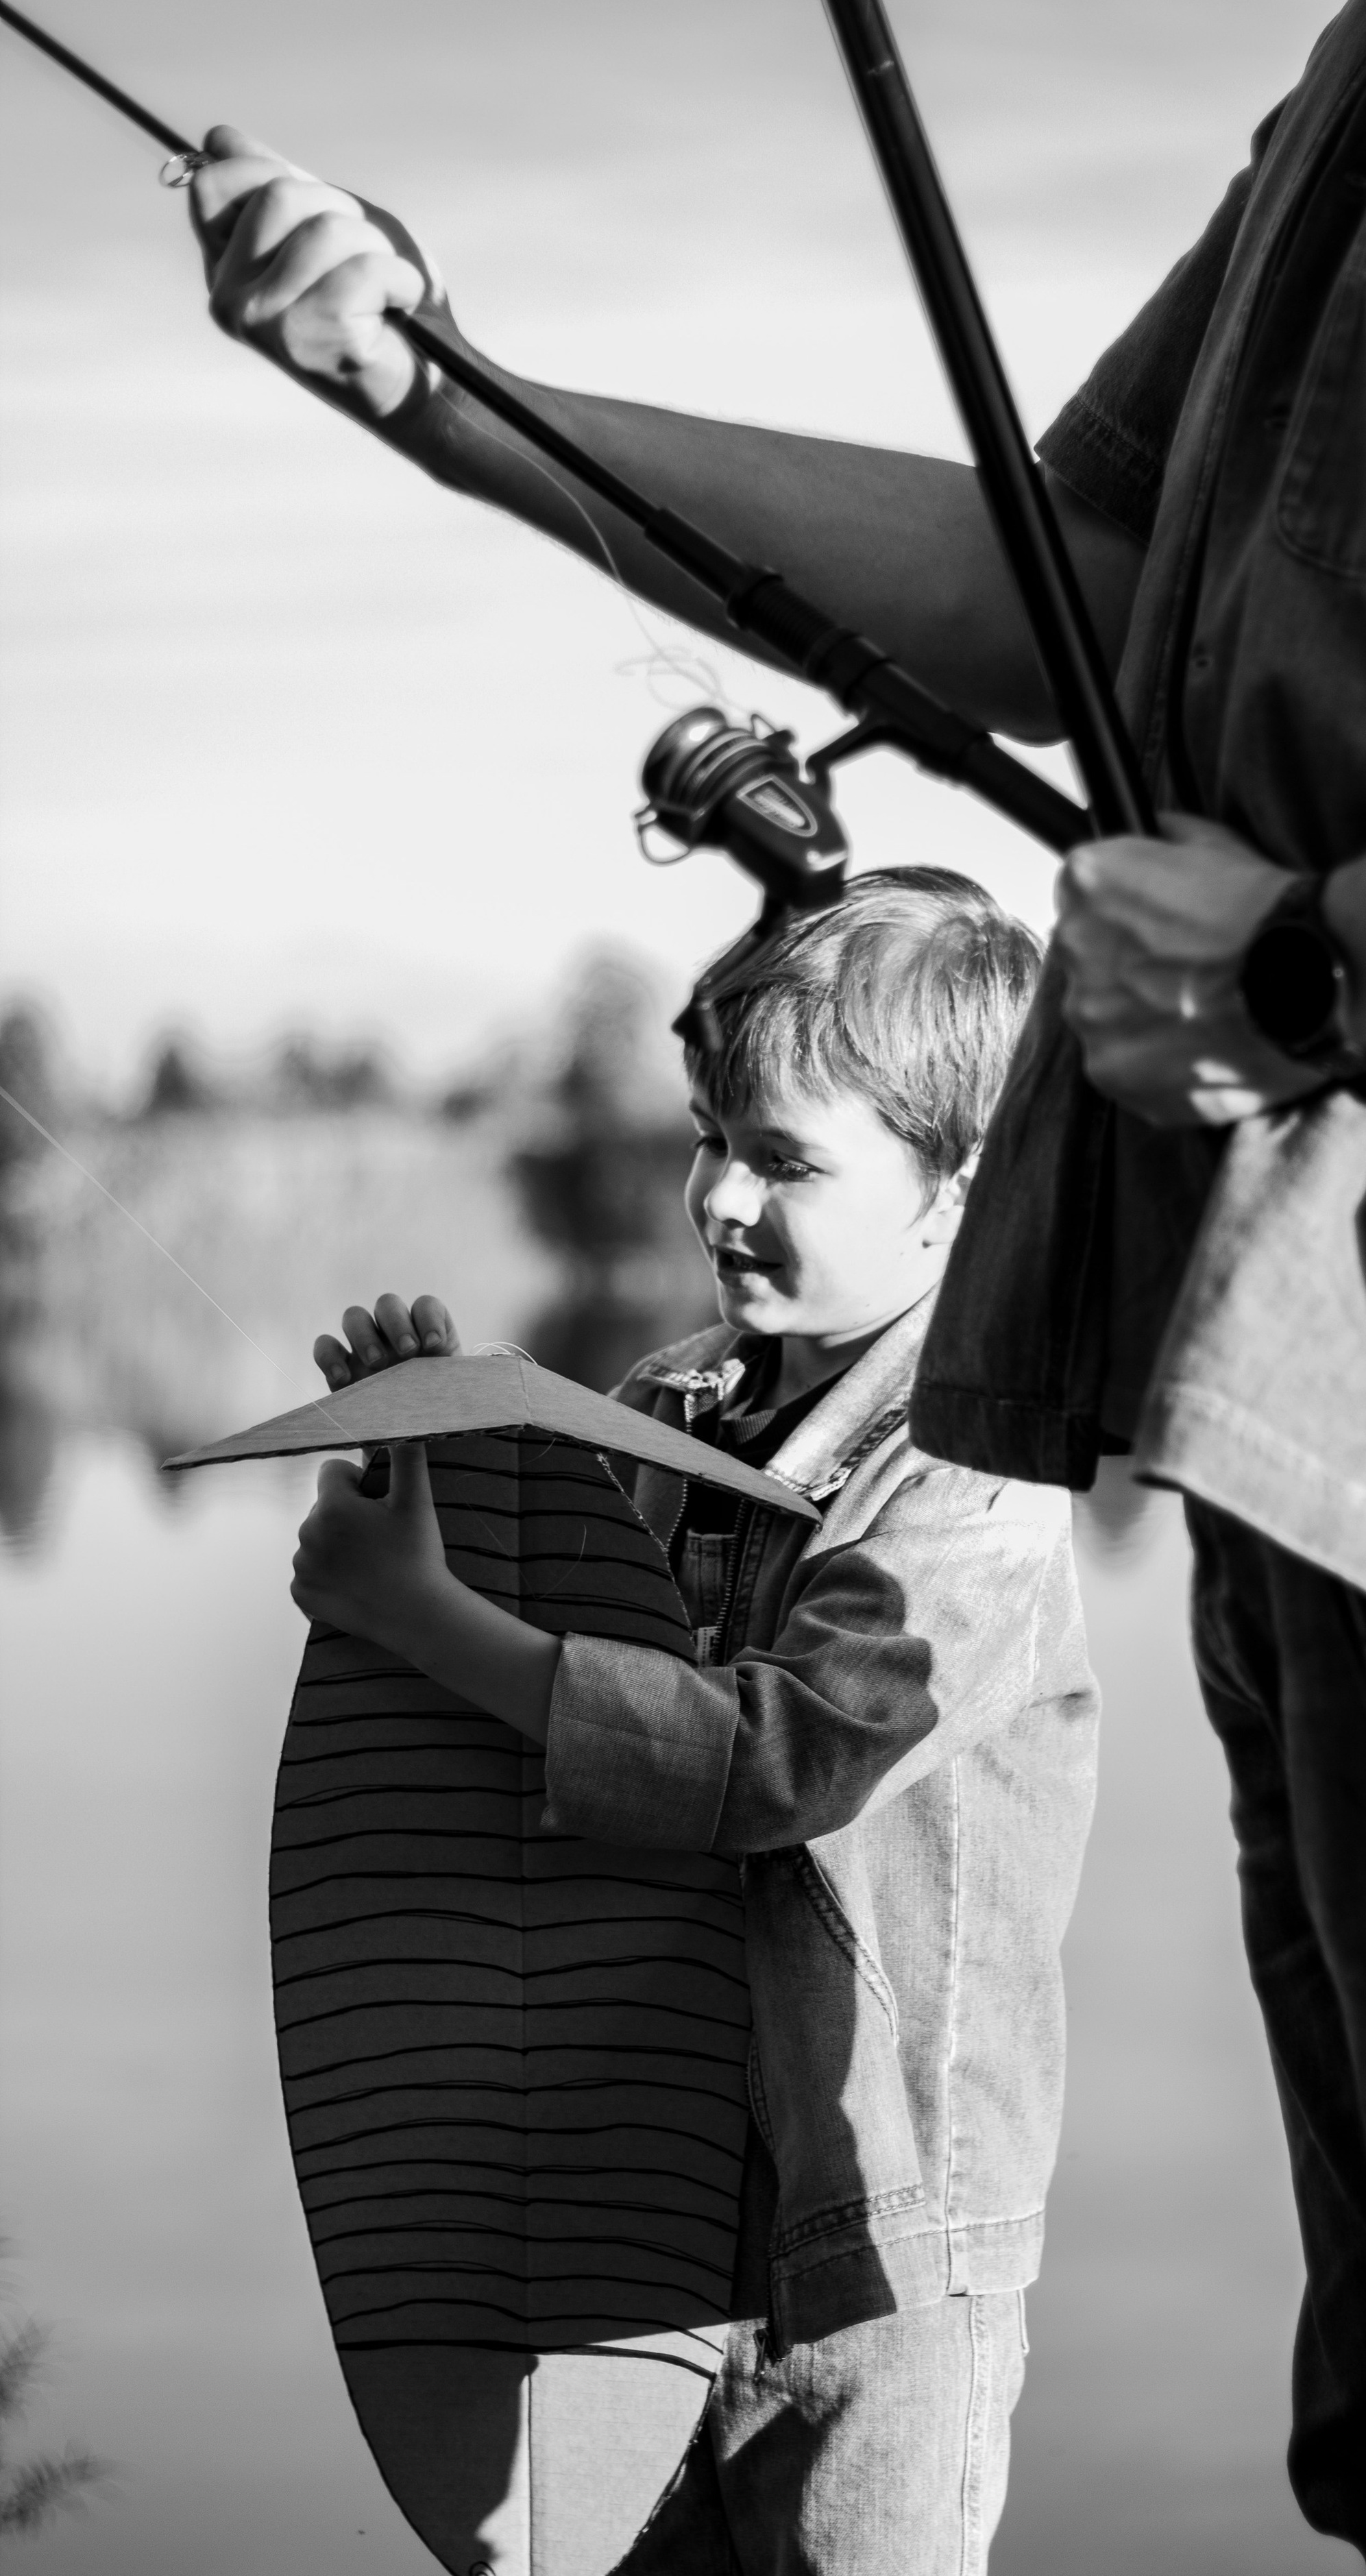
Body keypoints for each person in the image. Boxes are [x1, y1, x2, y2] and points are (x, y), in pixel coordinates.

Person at [189, 0, 1366, 2555]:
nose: (718, 1204)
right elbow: (1080, 564)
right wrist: (444, 394)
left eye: (780, 1161)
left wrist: (1308, 968)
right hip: (1314, 1483)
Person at [288, 868, 1097, 2575]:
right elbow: (555, 1684)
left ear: (963, 1192)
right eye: (708, 1135)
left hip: (877, 2259)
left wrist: (421, 1620)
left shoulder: (979, 1469)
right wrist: (454, 1450)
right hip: (636, 2203)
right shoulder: (663, 1406)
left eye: (787, 1161)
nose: (720, 1196)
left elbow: (777, 1759)